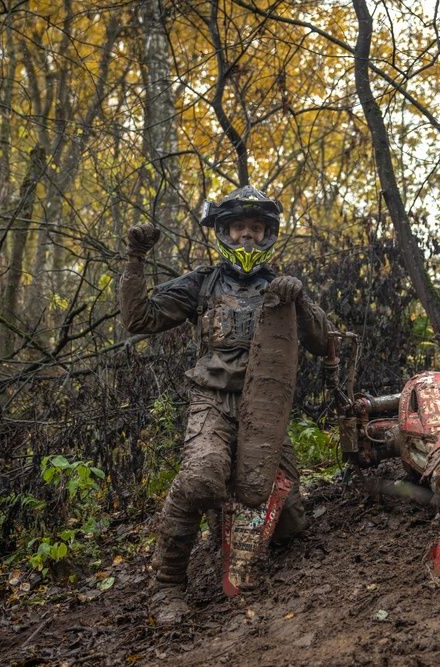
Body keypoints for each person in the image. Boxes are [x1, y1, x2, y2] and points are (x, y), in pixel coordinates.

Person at [119, 185, 332, 623]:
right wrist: (135, 259)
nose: (247, 236)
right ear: (224, 231)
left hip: (266, 412)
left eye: (256, 228)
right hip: (212, 401)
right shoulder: (202, 282)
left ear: (268, 233)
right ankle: (166, 587)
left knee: (291, 519)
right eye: (239, 228)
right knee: (200, 478)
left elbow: (324, 342)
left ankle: (229, 530)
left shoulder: (281, 284)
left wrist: (301, 301)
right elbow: (138, 318)